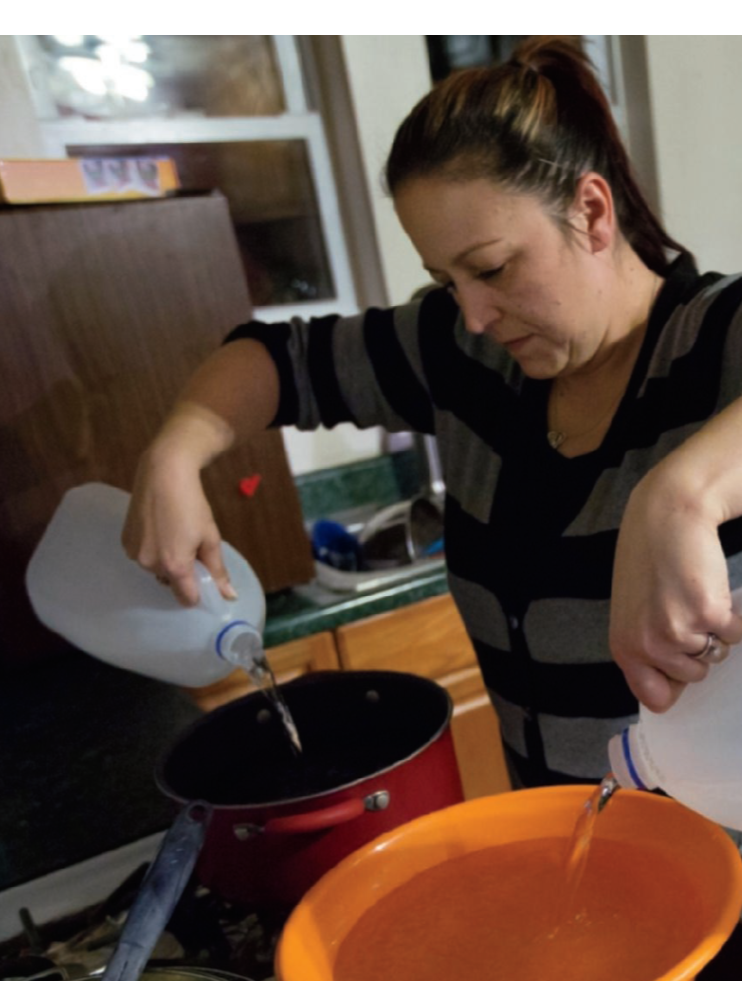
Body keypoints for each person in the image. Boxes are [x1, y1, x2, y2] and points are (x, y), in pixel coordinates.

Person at [122, 37, 742, 793]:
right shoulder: (462, 357)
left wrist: (680, 494)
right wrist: (172, 457)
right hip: (574, 844)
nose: (474, 314)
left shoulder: (715, 341)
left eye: (491, 268)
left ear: (591, 210)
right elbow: (275, 360)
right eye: (446, 280)